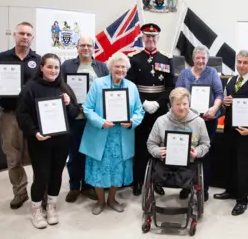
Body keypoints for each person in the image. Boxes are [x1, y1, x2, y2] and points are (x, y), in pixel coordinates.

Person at [16, 53, 79, 229]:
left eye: (56, 67)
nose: (53, 70)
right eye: (49, 67)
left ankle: (51, 207)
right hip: (39, 140)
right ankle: (36, 209)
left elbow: (74, 114)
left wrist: (69, 104)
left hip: (62, 141)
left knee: (56, 174)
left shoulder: (64, 88)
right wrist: (34, 132)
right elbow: (22, 114)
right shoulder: (30, 88)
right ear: (41, 67)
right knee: (41, 176)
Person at [79, 52, 144, 215]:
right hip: (101, 134)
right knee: (98, 170)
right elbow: (87, 108)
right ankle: (100, 200)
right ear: (110, 67)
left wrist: (132, 122)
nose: (120, 69)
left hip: (122, 135)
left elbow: (139, 111)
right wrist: (101, 122)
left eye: (123, 67)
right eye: (117, 66)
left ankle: (112, 199)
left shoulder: (132, 87)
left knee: (118, 168)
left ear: (127, 70)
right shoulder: (98, 84)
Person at [0, 22, 42, 209]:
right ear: (14, 35)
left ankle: (40, 193)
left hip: (33, 116)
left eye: (29, 34)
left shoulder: (38, 60)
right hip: (9, 115)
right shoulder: (2, 58)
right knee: (12, 157)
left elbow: (46, 84)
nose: (25, 37)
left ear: (32, 38)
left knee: (38, 156)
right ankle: (20, 193)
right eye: (21, 33)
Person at [213, 50, 248, 216]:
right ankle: (230, 189)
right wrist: (225, 102)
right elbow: (226, 103)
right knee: (229, 161)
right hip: (229, 128)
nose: (241, 65)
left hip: (245, 132)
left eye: (245, 62)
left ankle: (242, 199)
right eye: (239, 62)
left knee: (243, 165)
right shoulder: (231, 80)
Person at [127, 23, 175, 196]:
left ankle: (157, 180)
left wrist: (160, 103)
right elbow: (130, 86)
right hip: (140, 108)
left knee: (160, 146)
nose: (150, 39)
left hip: (159, 110)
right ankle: (138, 180)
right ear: (142, 38)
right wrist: (142, 103)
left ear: (158, 38)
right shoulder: (134, 59)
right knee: (140, 145)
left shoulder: (166, 59)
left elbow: (170, 87)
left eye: (153, 37)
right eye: (147, 36)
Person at [61, 36, 109, 203]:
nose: (86, 48)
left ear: (94, 48)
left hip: (94, 119)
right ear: (77, 47)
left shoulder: (102, 67)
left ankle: (88, 186)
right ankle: (74, 186)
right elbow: (61, 87)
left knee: (91, 154)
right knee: (74, 154)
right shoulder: (67, 65)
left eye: (89, 45)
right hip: (74, 117)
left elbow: (108, 90)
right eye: (83, 45)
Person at [175, 45, 223, 201]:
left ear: (207, 59)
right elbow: (177, 95)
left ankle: (204, 187)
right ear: (193, 59)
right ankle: (186, 186)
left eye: (204, 58)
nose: (201, 61)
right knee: (185, 152)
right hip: (187, 121)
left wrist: (215, 108)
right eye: (198, 58)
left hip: (208, 120)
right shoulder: (184, 74)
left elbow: (219, 94)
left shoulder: (212, 73)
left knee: (204, 154)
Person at [147, 87, 210, 191]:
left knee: (188, 177)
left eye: (185, 104)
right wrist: (157, 151)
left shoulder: (199, 122)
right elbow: (151, 143)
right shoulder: (161, 121)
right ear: (171, 105)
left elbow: (205, 144)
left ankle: (186, 189)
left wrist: (197, 152)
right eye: (178, 104)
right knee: (156, 175)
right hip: (165, 161)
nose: (182, 107)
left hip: (188, 162)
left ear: (189, 103)